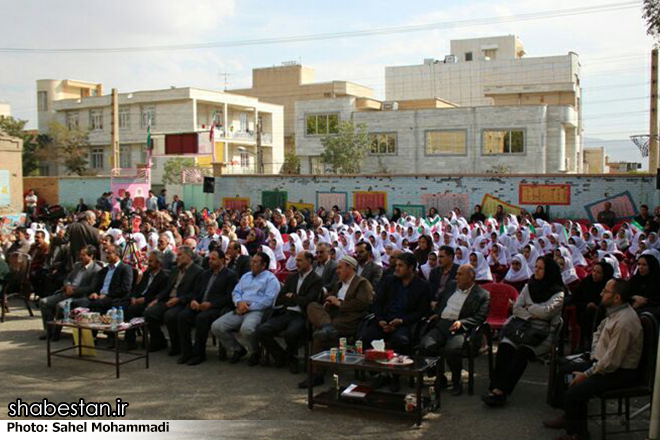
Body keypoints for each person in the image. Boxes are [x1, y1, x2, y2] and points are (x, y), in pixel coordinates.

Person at [543, 279, 642, 440]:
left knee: (575, 390)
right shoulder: (614, 312)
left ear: (617, 297)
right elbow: (598, 332)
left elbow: (612, 362)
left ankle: (578, 434)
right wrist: (594, 354)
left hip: (618, 373)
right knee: (566, 372)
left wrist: (587, 374)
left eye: (606, 291)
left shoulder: (625, 322)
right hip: (601, 362)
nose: (601, 294)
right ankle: (569, 417)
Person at [483, 255, 565, 406]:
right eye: (536, 267)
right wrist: (531, 315)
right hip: (521, 328)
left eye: (541, 268)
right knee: (505, 348)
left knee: (522, 353)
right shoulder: (530, 286)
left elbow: (547, 312)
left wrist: (529, 308)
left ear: (549, 271)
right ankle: (495, 387)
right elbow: (516, 308)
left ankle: (502, 391)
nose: (537, 271)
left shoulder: (558, 293)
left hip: (542, 334)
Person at [360, 253, 431, 391]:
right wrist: (380, 320)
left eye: (400, 266)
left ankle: (395, 375)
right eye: (396, 265)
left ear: (411, 268)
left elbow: (422, 312)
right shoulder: (389, 281)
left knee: (401, 340)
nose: (396, 269)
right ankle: (378, 374)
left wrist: (402, 321)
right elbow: (377, 304)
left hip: (404, 323)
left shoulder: (422, 286)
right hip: (384, 321)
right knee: (366, 337)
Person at [302, 255, 374, 388]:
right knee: (312, 306)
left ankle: (316, 376)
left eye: (340, 268)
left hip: (350, 319)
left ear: (350, 268)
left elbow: (363, 304)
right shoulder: (338, 284)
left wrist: (340, 303)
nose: (337, 271)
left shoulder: (362, 283)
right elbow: (331, 298)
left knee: (319, 335)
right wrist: (329, 302)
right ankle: (327, 327)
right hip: (333, 317)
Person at [418, 264, 490, 396]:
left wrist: (462, 323)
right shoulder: (451, 285)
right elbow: (441, 302)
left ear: (470, 277)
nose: (456, 277)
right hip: (442, 324)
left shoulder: (482, 294)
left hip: (461, 328)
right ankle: (440, 376)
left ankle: (457, 381)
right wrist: (437, 313)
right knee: (425, 346)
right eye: (456, 274)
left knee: (452, 350)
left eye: (460, 274)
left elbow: (480, 317)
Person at [256, 251, 323, 374]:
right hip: (286, 312)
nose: (296, 263)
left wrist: (292, 297)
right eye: (296, 260)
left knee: (291, 333)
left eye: (300, 260)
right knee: (262, 330)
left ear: (309, 261)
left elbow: (309, 301)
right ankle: (282, 356)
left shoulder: (316, 280)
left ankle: (292, 360)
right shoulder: (292, 277)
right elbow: (281, 297)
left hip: (302, 315)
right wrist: (296, 298)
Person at [211, 252, 280, 366]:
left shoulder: (271, 279)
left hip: (257, 311)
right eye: (251, 261)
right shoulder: (246, 276)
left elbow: (269, 300)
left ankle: (255, 352)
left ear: (263, 265)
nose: (251, 264)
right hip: (240, 308)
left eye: (255, 262)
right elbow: (236, 292)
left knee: (247, 329)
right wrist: (238, 302)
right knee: (217, 326)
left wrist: (249, 307)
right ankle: (238, 349)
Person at [178, 249, 238, 365]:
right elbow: (196, 291)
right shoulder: (205, 274)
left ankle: (199, 354)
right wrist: (194, 300)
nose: (210, 261)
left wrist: (211, 304)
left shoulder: (230, 275)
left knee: (201, 318)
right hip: (200, 305)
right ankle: (187, 352)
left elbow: (229, 297)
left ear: (221, 260)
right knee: (183, 316)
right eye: (209, 258)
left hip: (216, 308)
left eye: (213, 259)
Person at [144, 246, 204, 355]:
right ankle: (159, 340)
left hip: (183, 302)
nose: (177, 258)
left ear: (189, 256)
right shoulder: (175, 269)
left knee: (170, 315)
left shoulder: (197, 271)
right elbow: (167, 289)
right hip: (169, 300)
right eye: (177, 255)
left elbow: (196, 293)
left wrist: (179, 299)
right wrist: (157, 299)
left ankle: (177, 345)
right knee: (149, 312)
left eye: (180, 255)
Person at [38, 245, 102, 341]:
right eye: (80, 255)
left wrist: (75, 290)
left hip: (79, 296)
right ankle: (49, 330)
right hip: (67, 292)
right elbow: (67, 278)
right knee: (44, 302)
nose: (81, 257)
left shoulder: (96, 270)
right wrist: (68, 285)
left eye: (84, 255)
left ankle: (56, 332)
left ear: (91, 256)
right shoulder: (77, 265)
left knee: (61, 306)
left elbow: (91, 288)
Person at [122, 250, 169, 350]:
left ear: (159, 263)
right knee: (126, 307)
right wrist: (134, 297)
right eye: (148, 260)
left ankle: (156, 341)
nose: (148, 263)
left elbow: (160, 295)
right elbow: (137, 288)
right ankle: (130, 341)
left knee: (140, 311)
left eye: (151, 261)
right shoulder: (147, 273)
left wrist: (145, 300)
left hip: (150, 302)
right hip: (139, 300)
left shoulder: (164, 277)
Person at [70, 244, 133, 315]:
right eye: (106, 253)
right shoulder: (104, 270)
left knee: (96, 304)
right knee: (76, 303)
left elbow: (125, 288)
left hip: (113, 297)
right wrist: (95, 293)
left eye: (109, 253)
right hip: (99, 296)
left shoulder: (125, 268)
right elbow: (97, 285)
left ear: (117, 255)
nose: (106, 255)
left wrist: (107, 295)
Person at [571, 261, 614, 349]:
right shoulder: (587, 281)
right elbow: (576, 298)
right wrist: (586, 305)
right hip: (584, 311)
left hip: (604, 314)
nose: (594, 274)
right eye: (593, 271)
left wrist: (598, 307)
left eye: (598, 273)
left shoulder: (608, 285)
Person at [629, 253, 660, 318]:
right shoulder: (635, 280)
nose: (640, 267)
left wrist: (645, 302)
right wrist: (634, 297)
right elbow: (624, 293)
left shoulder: (657, 281)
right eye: (639, 264)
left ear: (651, 266)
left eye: (644, 265)